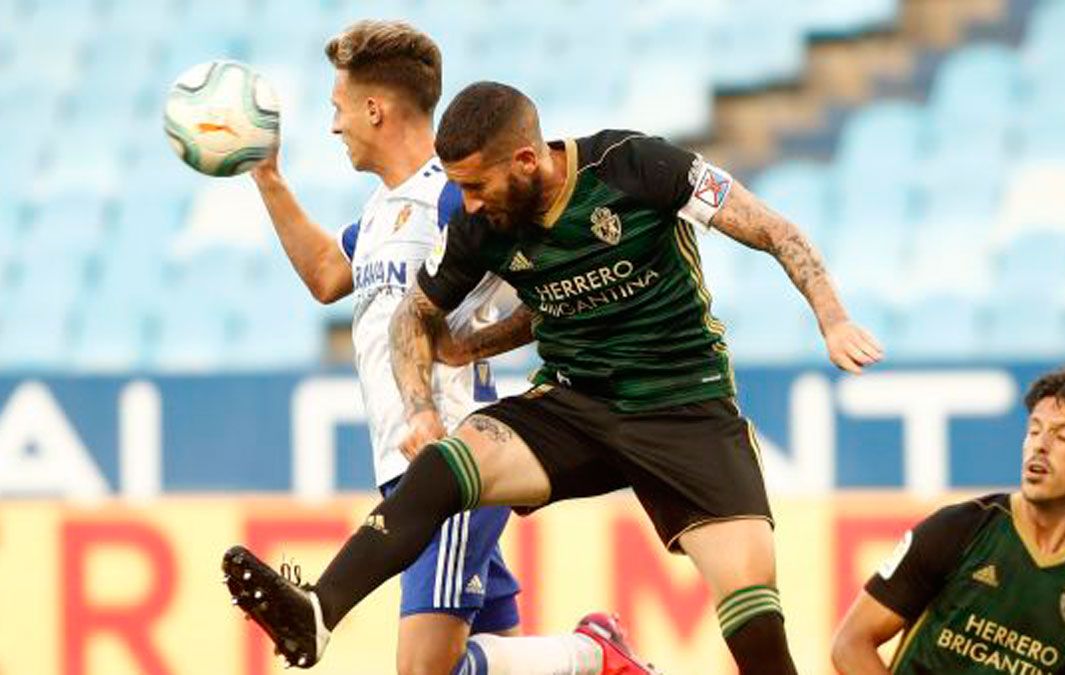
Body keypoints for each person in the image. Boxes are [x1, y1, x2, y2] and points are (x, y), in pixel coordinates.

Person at [224, 80, 884, 675]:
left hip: (686, 409)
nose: (470, 204)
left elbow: (774, 229)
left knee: (758, 630)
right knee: (452, 462)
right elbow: (417, 314)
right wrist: (422, 402)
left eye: (478, 186)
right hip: (576, 405)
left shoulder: (635, 166)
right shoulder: (481, 223)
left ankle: (595, 655)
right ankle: (318, 610)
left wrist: (833, 319)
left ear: (527, 161)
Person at [229, 22, 657, 675]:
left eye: (337, 109)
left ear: (375, 109)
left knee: (424, 669)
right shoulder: (380, 211)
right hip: (408, 472)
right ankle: (588, 655)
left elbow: (547, 282)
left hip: (457, 455)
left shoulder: (457, 196)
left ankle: (591, 651)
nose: (334, 126)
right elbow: (324, 275)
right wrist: (267, 176)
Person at [831, 369, 1065, 674]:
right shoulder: (958, 529)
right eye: (1034, 430)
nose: (1040, 445)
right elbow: (850, 644)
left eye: (1062, 436)